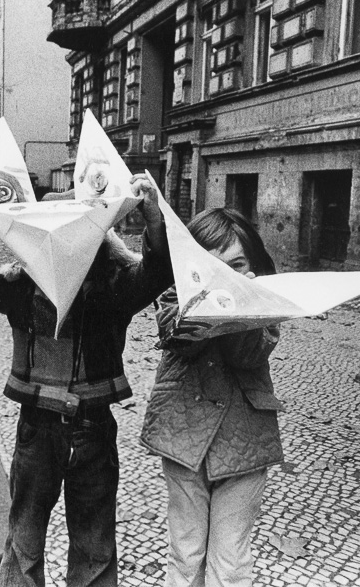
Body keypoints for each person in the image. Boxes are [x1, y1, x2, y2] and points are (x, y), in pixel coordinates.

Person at [0, 176, 172, 587]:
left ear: (97, 238)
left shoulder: (113, 289)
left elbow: (156, 274)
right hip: (38, 430)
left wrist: (153, 218)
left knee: (95, 544)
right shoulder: (22, 290)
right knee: (24, 541)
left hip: (93, 428)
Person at [140, 208, 283, 587]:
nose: (225, 273)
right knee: (186, 553)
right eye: (210, 264)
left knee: (232, 559)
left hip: (245, 441)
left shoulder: (266, 300)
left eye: (235, 264)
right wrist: (208, 300)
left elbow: (248, 355)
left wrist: (242, 303)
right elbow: (178, 342)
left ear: (252, 264)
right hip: (184, 437)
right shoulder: (175, 294)